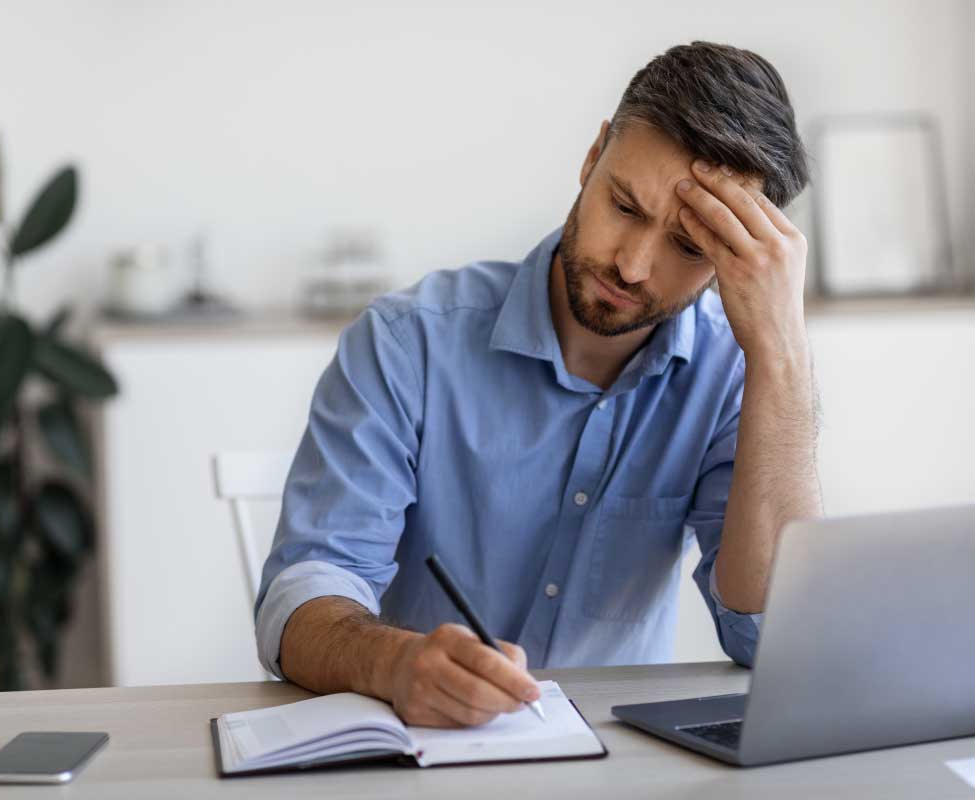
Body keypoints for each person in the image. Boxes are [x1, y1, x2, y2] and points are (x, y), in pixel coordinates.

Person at [254, 40, 823, 729]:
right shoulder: (407, 344)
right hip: (428, 748)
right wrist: (393, 664)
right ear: (593, 156)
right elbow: (300, 598)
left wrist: (783, 355)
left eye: (688, 247)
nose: (634, 266)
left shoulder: (733, 373)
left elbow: (769, 636)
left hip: (621, 760)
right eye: (625, 206)